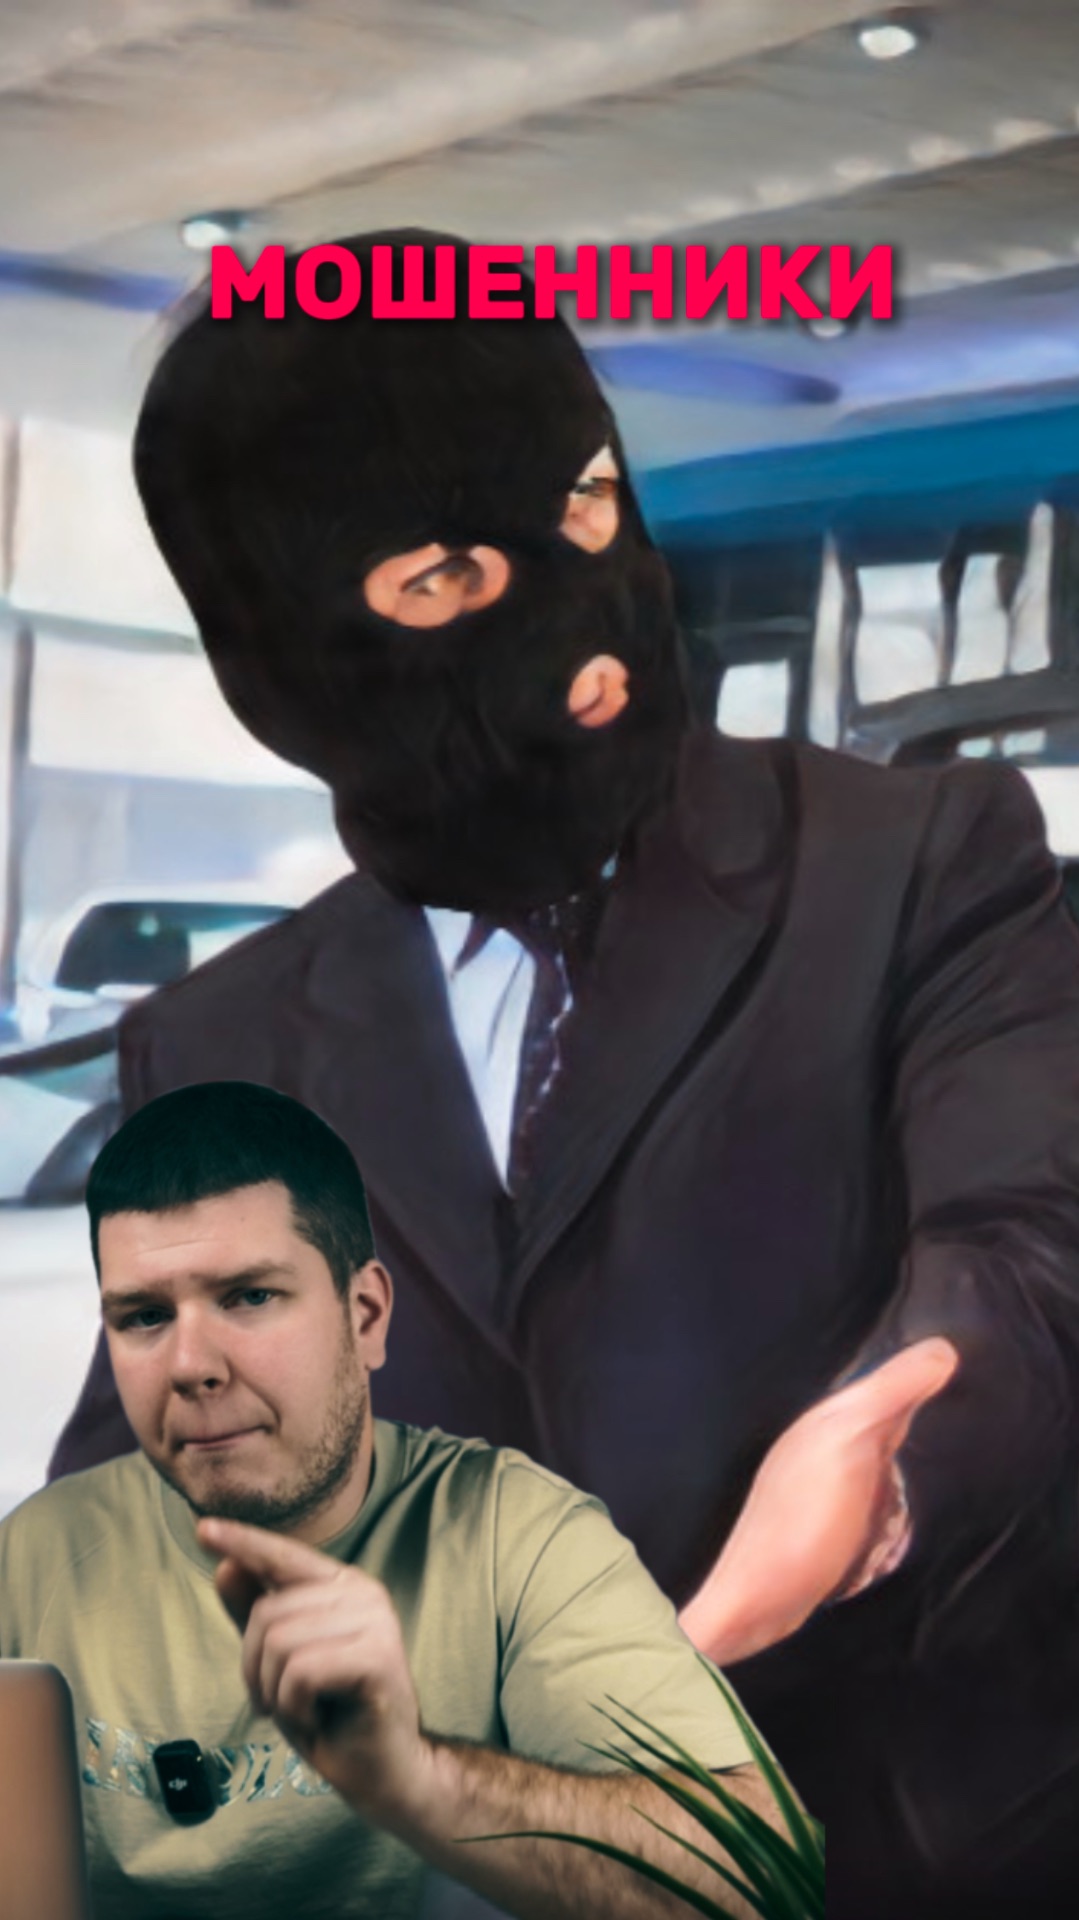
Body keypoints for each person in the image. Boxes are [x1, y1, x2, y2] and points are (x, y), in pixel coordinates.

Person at [52, 233, 1079, 1916]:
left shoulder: (918, 860)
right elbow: (139, 1494)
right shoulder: (218, 1043)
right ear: (277, 656)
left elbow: (1028, 1241)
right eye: (444, 578)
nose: (582, 631)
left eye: (587, 503)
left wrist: (887, 1464)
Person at [2, 1081, 777, 1920]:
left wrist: (419, 1777)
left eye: (250, 1297)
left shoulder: (511, 1535)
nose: (192, 1365)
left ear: (365, 1315)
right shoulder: (40, 1553)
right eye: (145, 1317)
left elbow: (759, 1878)